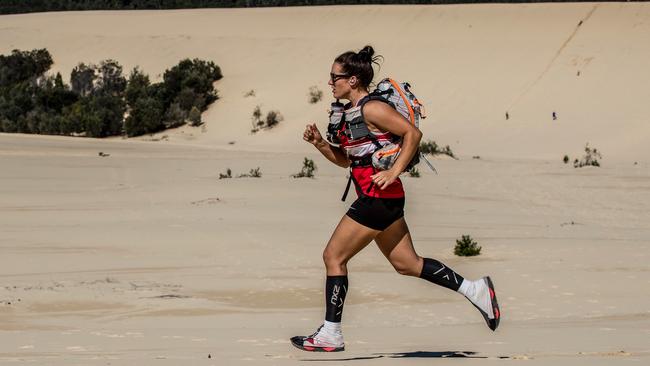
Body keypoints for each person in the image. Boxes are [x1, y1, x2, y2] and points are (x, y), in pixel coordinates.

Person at [291, 46, 500, 353]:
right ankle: (476, 290)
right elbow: (348, 161)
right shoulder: (350, 114)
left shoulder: (372, 108)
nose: (330, 83)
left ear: (351, 80)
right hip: (382, 198)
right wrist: (320, 144)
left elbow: (413, 134)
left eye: (334, 77)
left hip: (378, 197)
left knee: (333, 257)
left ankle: (331, 333)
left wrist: (394, 172)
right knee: (407, 264)